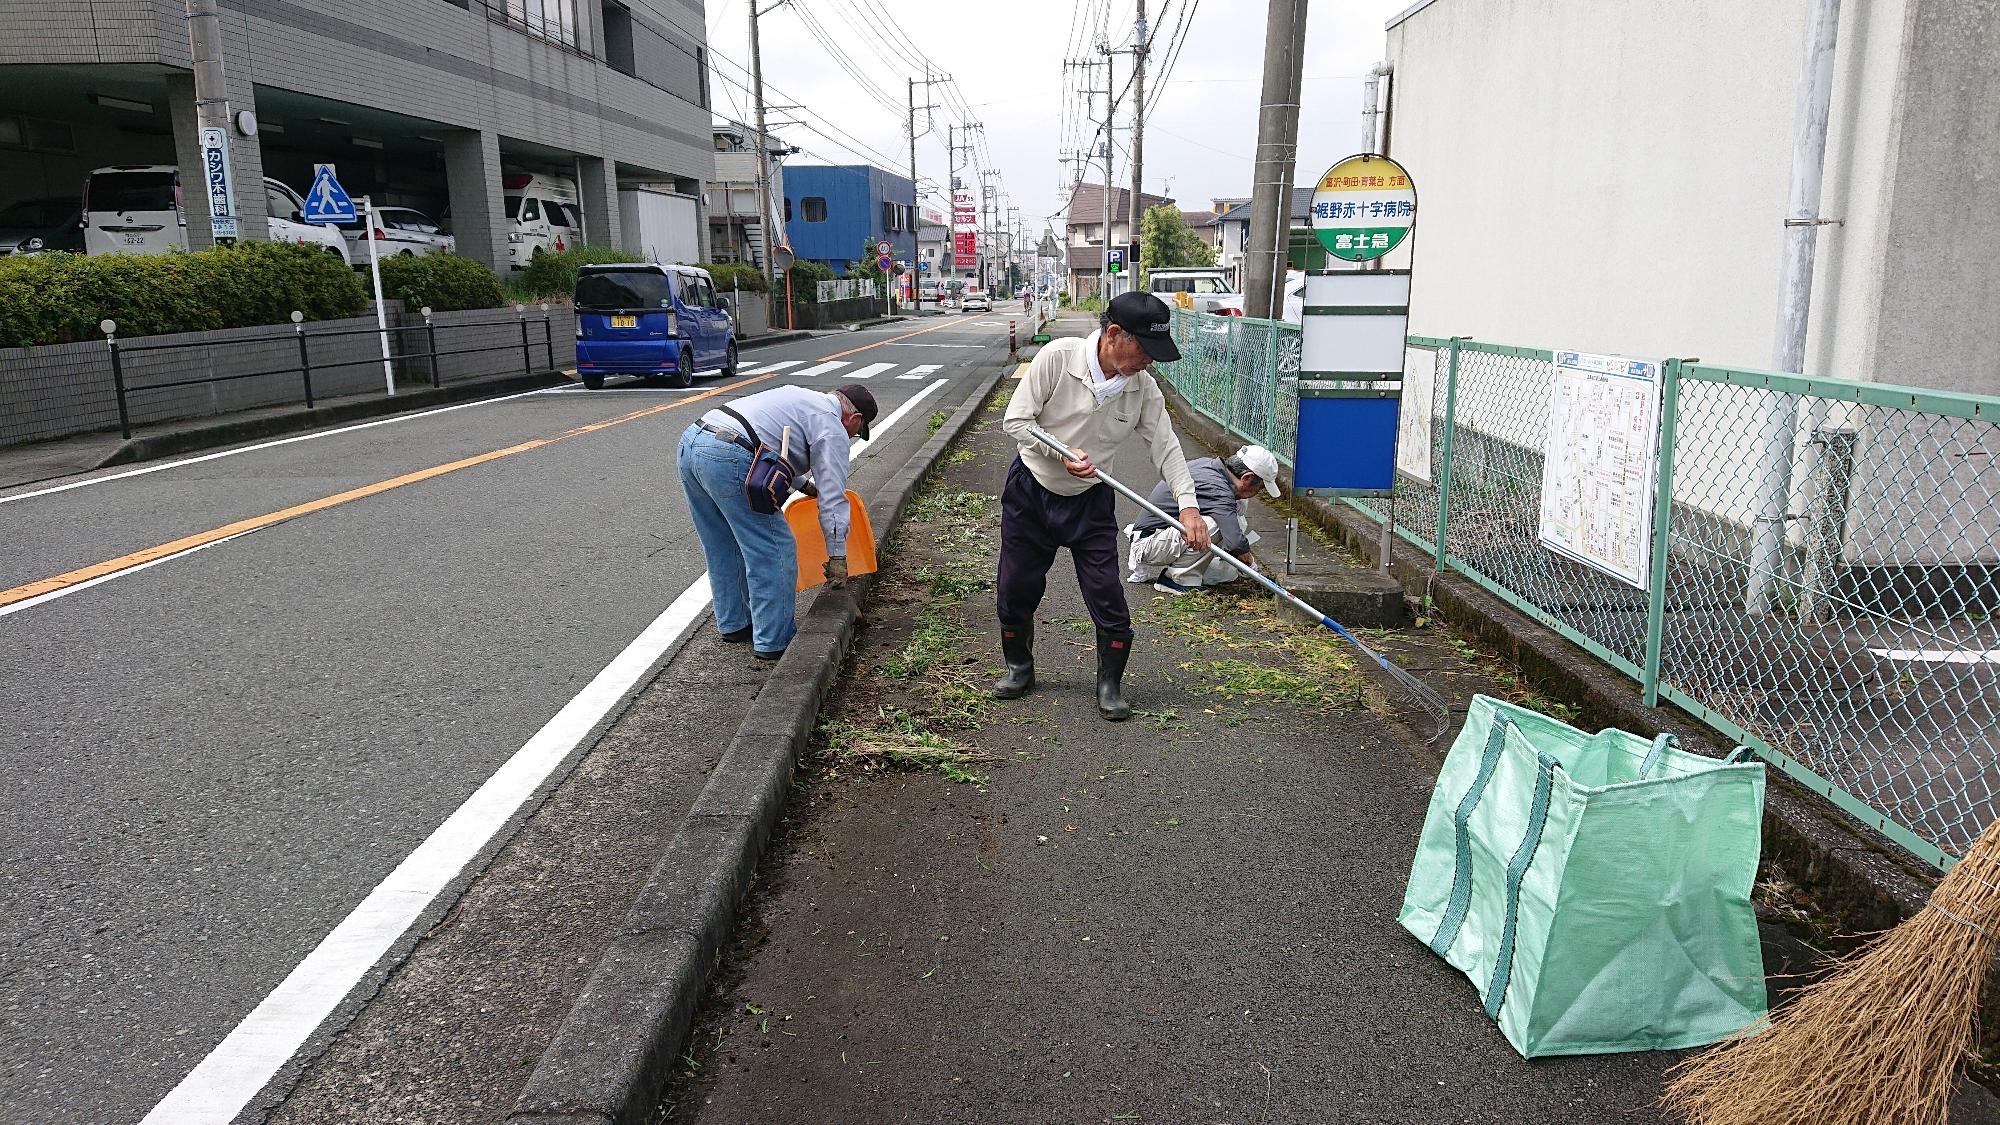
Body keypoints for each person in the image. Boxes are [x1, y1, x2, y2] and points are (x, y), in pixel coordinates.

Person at [994, 290, 1208, 722]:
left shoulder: (1142, 388)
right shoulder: (1057, 358)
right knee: (1016, 586)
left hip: (1090, 503)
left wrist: (1188, 507)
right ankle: (1019, 667)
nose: (1148, 362)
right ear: (1114, 335)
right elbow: (1015, 420)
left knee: (1107, 593)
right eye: (1145, 350)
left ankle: (1109, 682)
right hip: (1032, 491)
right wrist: (1062, 453)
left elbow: (1166, 448)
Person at [678, 382, 878, 660]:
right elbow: (833, 500)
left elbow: (770, 445)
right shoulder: (832, 428)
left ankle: (734, 624)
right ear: (854, 419)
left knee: (722, 544)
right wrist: (837, 558)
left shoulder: (799, 396)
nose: (853, 436)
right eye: (858, 432)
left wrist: (804, 486)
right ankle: (773, 640)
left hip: (693, 442)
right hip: (730, 455)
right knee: (774, 548)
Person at [1125, 445, 1283, 592]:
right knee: (1214, 524)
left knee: (1233, 518)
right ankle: (1178, 580)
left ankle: (1190, 570)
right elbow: (1235, 543)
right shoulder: (1218, 490)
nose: (1258, 492)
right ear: (1247, 478)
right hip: (1148, 544)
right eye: (1260, 487)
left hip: (1156, 536)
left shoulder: (1209, 466)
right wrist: (1252, 568)